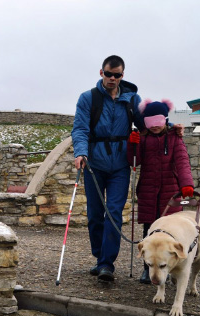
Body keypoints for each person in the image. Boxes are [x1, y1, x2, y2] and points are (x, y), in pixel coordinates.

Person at [71, 55, 146, 283]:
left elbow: (149, 123)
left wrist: (171, 127)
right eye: (108, 74)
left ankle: (106, 264)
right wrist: (80, 152)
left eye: (117, 75)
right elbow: (80, 129)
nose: (112, 78)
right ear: (101, 72)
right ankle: (99, 257)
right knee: (95, 215)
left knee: (113, 213)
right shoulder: (88, 98)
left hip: (121, 165)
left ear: (123, 75)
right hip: (94, 164)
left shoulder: (132, 99)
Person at [127, 99, 194, 284]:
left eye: (158, 122)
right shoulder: (143, 138)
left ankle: (174, 268)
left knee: (173, 233)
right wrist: (132, 145)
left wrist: (186, 184)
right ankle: (147, 269)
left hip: (170, 192)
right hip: (148, 192)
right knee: (149, 233)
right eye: (150, 123)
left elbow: (182, 162)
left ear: (165, 120)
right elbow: (134, 161)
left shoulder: (174, 138)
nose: (155, 127)